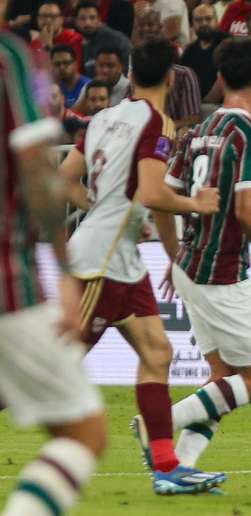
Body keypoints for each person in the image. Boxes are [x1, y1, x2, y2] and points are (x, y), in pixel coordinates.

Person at [58, 37, 226, 495]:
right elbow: (155, 195)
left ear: (130, 75)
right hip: (101, 264)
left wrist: (98, 208)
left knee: (157, 353)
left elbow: (65, 178)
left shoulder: (101, 118)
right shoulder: (159, 124)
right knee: (50, 370)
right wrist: (198, 203)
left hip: (121, 261)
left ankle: (167, 467)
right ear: (172, 79)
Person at [160, 37, 251, 470]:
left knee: (222, 378)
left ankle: (179, 469)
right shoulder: (250, 134)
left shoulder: (197, 132)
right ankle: (159, 423)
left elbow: (160, 200)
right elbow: (248, 211)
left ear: (221, 78)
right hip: (220, 272)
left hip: (191, 265)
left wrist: (175, 255)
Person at [0, 28, 106, 516]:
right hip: (6, 281)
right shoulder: (12, 57)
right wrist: (65, 274)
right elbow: (38, 171)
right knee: (84, 430)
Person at [135, 9, 203, 130]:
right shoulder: (134, 72)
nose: (146, 29)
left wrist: (157, 129)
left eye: (150, 25)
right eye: (141, 25)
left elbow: (193, 119)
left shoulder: (185, 75)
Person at [181, 3, 228, 101]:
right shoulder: (189, 51)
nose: (204, 23)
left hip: (222, 105)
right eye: (198, 20)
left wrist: (204, 103)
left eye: (208, 19)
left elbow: (225, 81)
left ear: (216, 21)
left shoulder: (228, 44)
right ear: (192, 24)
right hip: (195, 106)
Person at [75, 0, 131, 78]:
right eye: (82, 18)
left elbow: (129, 70)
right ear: (76, 22)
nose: (88, 23)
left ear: (99, 19)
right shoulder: (84, 43)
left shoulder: (117, 40)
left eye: (92, 18)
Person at [74, 46, 130, 110]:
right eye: (101, 65)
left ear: (120, 67)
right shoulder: (89, 86)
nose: (105, 70)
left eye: (110, 66)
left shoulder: (129, 88)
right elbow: (75, 113)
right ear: (95, 67)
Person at [31, 1, 83, 68]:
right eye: (44, 16)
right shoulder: (34, 43)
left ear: (61, 20)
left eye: (53, 16)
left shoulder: (74, 39)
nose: (48, 20)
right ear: (38, 20)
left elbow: (73, 69)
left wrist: (48, 47)